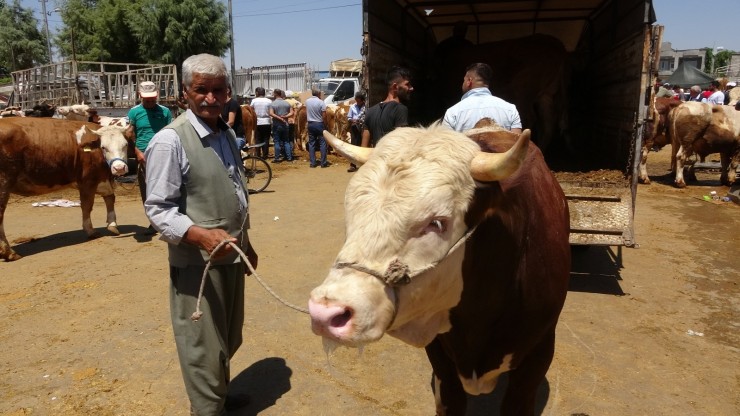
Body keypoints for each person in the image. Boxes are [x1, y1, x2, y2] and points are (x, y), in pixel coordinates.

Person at [144, 53, 257, 416]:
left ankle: (218, 395)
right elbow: (158, 209)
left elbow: (235, 191)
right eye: (201, 90)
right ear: (184, 93)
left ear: (228, 92)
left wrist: (248, 244)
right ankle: (206, 408)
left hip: (230, 258)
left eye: (219, 90)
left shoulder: (226, 134)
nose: (211, 98)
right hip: (197, 265)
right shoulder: (169, 141)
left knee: (226, 335)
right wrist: (200, 236)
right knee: (202, 345)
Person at [126, 80, 173, 235]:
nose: (151, 102)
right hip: (143, 156)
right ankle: (153, 222)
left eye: (153, 99)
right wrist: (137, 152)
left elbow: (172, 132)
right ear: (140, 96)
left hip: (163, 154)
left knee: (168, 187)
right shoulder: (134, 113)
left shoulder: (165, 112)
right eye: (147, 100)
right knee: (147, 191)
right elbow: (129, 135)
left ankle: (169, 220)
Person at [442, 62, 523, 133]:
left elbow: (445, 147)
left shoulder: (452, 113)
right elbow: (518, 145)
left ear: (469, 81)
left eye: (464, 80)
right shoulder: (511, 110)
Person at [361, 66, 413, 147]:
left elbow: (363, 148)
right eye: (407, 84)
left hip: (376, 158)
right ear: (395, 87)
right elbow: (402, 146)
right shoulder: (400, 109)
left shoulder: (370, 112)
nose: (411, 88)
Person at [269, 88, 294, 162]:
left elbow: (271, 113)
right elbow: (292, 113)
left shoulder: (273, 104)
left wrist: (279, 117)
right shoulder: (287, 103)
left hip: (276, 125)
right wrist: (285, 117)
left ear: (275, 94)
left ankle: (277, 158)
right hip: (285, 124)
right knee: (286, 141)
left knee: (276, 142)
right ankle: (289, 157)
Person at [305, 88, 328, 167]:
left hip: (310, 124)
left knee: (312, 143)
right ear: (319, 94)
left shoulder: (307, 101)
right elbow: (324, 115)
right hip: (319, 123)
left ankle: (313, 163)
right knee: (322, 143)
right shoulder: (321, 102)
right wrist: (325, 124)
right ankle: (323, 162)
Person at [346, 91, 366, 172]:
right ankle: (353, 165)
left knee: (363, 146)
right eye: (356, 100)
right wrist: (352, 120)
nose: (357, 102)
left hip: (364, 128)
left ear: (362, 100)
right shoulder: (352, 107)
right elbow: (349, 117)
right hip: (354, 128)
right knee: (353, 146)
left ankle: (363, 165)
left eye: (358, 100)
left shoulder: (366, 107)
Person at [250, 87, 272, 159]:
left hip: (257, 122)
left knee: (258, 139)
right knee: (266, 138)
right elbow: (271, 111)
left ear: (257, 93)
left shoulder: (254, 101)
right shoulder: (269, 101)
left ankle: (258, 154)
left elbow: (251, 110)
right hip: (267, 121)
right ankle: (265, 155)